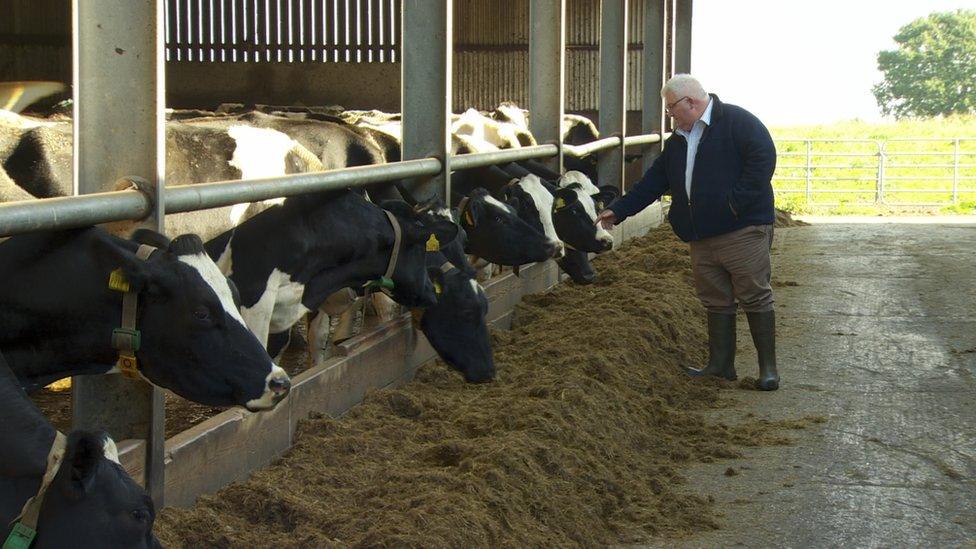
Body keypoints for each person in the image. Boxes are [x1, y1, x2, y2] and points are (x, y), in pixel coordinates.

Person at [595, 74, 780, 390]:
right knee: (716, 299)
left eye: (670, 109)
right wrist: (620, 209)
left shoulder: (739, 123)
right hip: (700, 234)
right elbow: (655, 181)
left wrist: (733, 205)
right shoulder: (679, 140)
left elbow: (762, 164)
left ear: (690, 103)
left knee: (754, 294)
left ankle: (768, 371)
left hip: (742, 229)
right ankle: (721, 365)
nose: (669, 115)